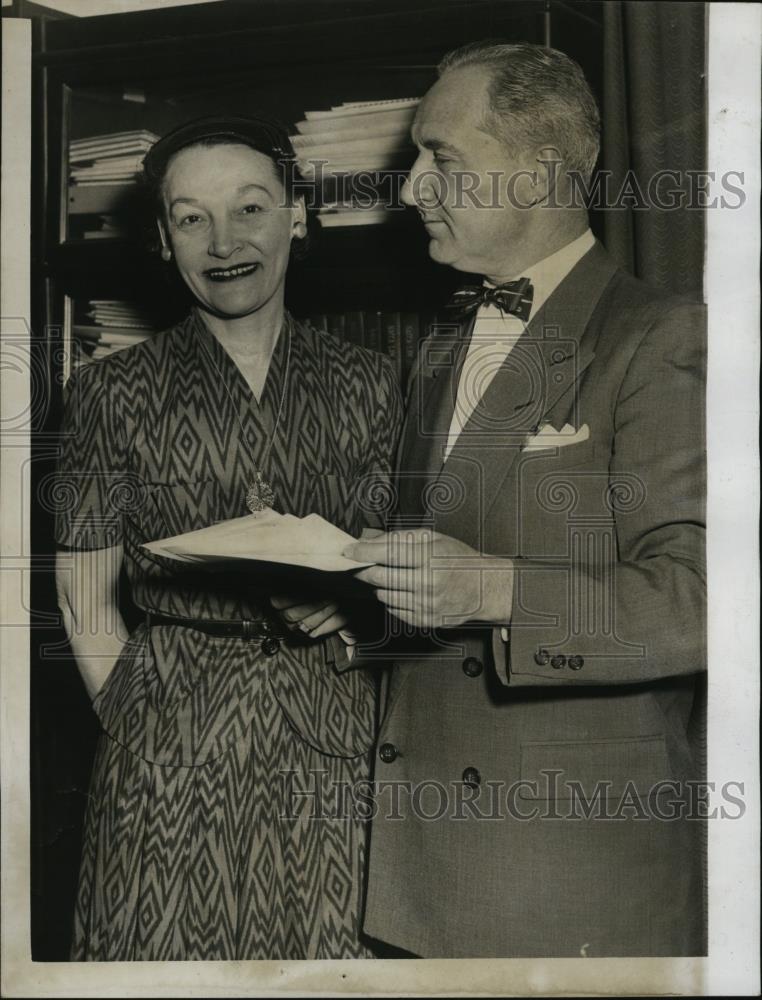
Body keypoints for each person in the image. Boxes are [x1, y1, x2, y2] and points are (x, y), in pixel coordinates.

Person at [345, 42, 706, 958]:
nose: (414, 188)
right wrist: (355, 593)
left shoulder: (660, 337)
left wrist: (492, 590)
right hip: (419, 870)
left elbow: (707, 603)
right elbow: (450, 553)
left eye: (443, 160)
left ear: (540, 172)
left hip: (564, 871)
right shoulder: (445, 339)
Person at [54, 115, 402, 961]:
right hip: (165, 746)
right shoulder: (109, 391)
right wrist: (138, 722)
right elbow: (84, 596)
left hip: (330, 743)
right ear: (164, 242)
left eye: (251, 208)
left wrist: (356, 612)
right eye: (191, 218)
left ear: (298, 217)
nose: (224, 241)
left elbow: (397, 565)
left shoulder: (373, 382)